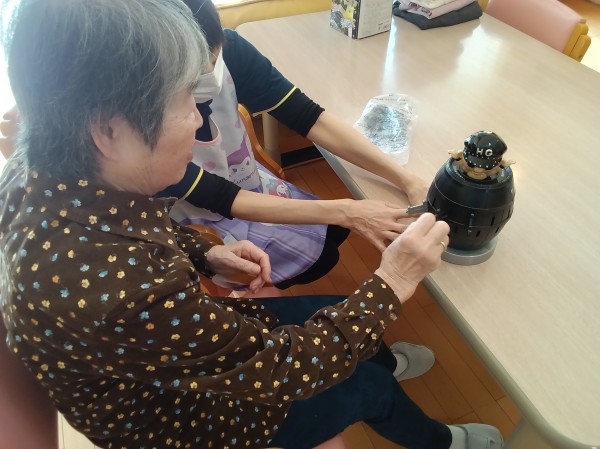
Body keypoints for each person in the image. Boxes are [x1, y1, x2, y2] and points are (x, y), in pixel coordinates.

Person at [0, 1, 504, 449]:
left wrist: (205, 253)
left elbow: (133, 228)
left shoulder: (39, 171)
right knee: (369, 388)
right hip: (184, 416)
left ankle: (380, 361)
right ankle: (441, 440)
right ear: (110, 131)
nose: (199, 123)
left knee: (339, 316)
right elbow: (282, 371)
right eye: (185, 104)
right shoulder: (124, 290)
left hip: (166, 353)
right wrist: (394, 279)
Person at [158, 0, 431, 290]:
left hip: (240, 177)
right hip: (199, 212)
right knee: (324, 254)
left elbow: (308, 116)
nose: (212, 72)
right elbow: (220, 197)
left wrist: (406, 179)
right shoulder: (147, 134)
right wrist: (349, 211)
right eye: (197, 75)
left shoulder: (229, 48)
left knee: (333, 231)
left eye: (215, 60)